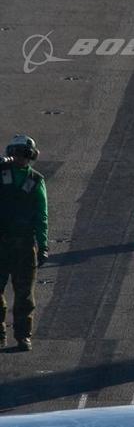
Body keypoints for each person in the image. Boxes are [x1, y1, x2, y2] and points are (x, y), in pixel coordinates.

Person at [0, 135, 48, 352]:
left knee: (24, 295)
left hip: (24, 245)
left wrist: (43, 244)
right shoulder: (2, 173)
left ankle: (23, 335)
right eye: (17, 153)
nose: (21, 158)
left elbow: (41, 214)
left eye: (25, 154)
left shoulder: (36, 180)